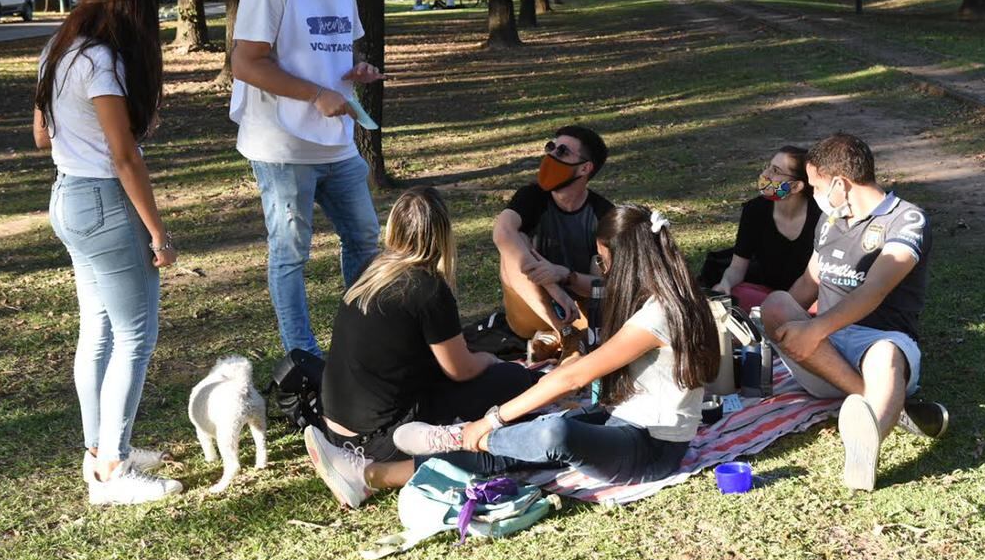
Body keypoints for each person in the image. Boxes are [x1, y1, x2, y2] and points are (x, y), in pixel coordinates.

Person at [393, 204, 720, 486]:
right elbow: (595, 288)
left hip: (652, 448)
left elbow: (573, 378)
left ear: (626, 262)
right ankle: (378, 475)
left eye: (603, 262)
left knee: (554, 435)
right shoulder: (669, 292)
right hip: (620, 421)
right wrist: (562, 279)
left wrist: (492, 420)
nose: (602, 271)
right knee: (529, 441)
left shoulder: (658, 314)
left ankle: (460, 436)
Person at [34, 0, 182, 505]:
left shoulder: (57, 49)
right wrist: (159, 236)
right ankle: (113, 470)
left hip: (67, 198)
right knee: (134, 337)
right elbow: (125, 158)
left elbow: (42, 138)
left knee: (97, 331)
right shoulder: (101, 60)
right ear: (131, 5)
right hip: (104, 203)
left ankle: (100, 450)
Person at [301, 187, 537, 508]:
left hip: (335, 427)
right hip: (380, 438)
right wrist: (488, 359)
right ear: (442, 233)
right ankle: (378, 473)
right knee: (516, 381)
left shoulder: (371, 272)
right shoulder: (426, 287)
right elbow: (460, 369)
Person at [230, 0, 386, 357]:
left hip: (336, 144)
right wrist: (315, 95)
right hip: (281, 145)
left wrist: (355, 72)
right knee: (291, 252)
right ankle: (302, 354)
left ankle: (362, 341)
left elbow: (333, 53)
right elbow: (245, 63)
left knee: (364, 237)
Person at [760, 133, 947, 492]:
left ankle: (867, 442)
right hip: (822, 354)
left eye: (815, 187)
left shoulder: (907, 220)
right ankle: (891, 408)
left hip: (877, 338)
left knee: (885, 356)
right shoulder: (831, 220)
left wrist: (813, 331)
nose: (813, 196)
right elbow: (808, 282)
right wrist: (766, 324)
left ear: (840, 184)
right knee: (776, 303)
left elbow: (874, 290)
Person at [494, 126, 613, 353]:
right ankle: (563, 334)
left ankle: (559, 339)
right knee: (514, 242)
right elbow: (502, 232)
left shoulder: (603, 214)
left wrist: (565, 276)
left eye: (562, 152)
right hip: (531, 310)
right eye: (551, 147)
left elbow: (611, 287)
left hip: (580, 313)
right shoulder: (532, 197)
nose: (551, 156)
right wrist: (552, 285)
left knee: (602, 263)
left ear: (584, 168)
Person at [712, 145, 822, 312]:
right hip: (766, 296)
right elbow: (737, 267)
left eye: (776, 171)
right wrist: (725, 282)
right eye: (768, 167)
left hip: (810, 299)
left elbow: (818, 281)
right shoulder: (754, 210)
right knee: (735, 294)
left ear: (796, 186)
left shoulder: (820, 216)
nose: (765, 175)